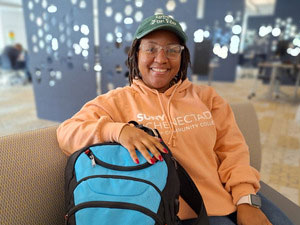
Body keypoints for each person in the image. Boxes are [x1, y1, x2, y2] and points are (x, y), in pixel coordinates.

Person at [57, 14, 293, 225]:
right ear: (136, 54)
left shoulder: (207, 98)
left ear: (183, 56)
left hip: (229, 198)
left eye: (172, 49)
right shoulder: (116, 101)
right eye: (151, 49)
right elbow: (67, 132)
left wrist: (246, 200)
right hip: (174, 212)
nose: (161, 59)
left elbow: (233, 151)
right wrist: (118, 131)